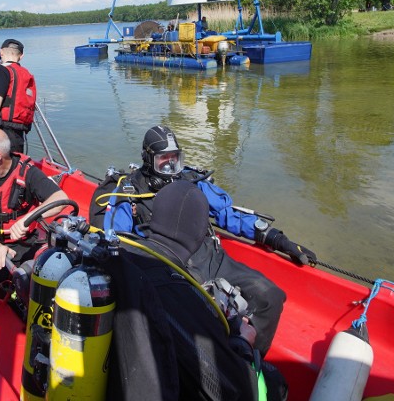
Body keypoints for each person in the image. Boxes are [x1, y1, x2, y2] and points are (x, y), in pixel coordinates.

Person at [91, 124, 316, 354]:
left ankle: (251, 364)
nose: (170, 166)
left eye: (175, 159)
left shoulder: (192, 181)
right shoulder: (129, 192)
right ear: (148, 159)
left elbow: (229, 214)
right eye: (163, 160)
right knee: (205, 320)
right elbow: (116, 241)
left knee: (271, 297)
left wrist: (277, 239)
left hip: (212, 258)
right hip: (171, 267)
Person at [107, 180, 287, 401]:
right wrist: (243, 345)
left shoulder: (119, 261)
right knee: (275, 381)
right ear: (201, 234)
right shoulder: (188, 299)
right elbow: (235, 390)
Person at [0, 128, 67, 298]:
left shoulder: (29, 172)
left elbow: (60, 198)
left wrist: (27, 220)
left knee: (47, 276)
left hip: (24, 242)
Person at [0, 38, 37, 154]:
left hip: (0, 135)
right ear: (21, 56)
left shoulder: (0, 71)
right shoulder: (25, 74)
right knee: (12, 169)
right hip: (17, 136)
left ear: (1, 52)